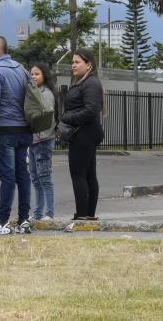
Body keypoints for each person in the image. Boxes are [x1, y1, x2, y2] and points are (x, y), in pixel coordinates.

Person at [0, 36, 32, 235]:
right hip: (24, 130)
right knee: (22, 175)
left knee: (7, 177)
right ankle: (24, 219)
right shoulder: (21, 69)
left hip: (4, 129)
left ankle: (1, 220)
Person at [61, 49, 105, 221]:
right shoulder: (84, 82)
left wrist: (68, 118)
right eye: (72, 62)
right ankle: (87, 214)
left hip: (84, 133)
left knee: (79, 174)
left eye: (77, 62)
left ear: (88, 65)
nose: (73, 65)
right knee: (87, 174)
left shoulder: (91, 83)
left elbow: (92, 109)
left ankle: (83, 215)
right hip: (84, 132)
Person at [28, 63, 58, 222]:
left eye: (37, 74)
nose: (33, 76)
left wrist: (40, 135)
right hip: (33, 141)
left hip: (42, 141)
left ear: (44, 76)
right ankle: (38, 213)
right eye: (31, 74)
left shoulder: (46, 94)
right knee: (35, 178)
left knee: (44, 177)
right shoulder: (34, 92)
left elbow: (49, 118)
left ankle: (49, 213)